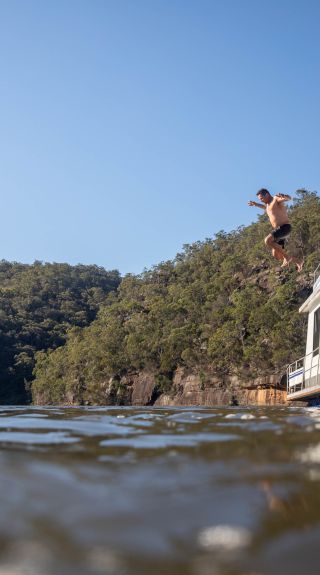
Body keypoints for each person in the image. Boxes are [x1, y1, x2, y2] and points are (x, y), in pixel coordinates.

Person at [248, 188, 303, 271]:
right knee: (276, 255)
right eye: (260, 200)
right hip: (279, 232)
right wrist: (256, 204)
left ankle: (287, 257)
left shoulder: (275, 199)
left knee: (267, 241)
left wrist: (285, 196)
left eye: (262, 198)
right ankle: (298, 261)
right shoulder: (267, 205)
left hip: (284, 227)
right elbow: (265, 208)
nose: (262, 201)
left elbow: (289, 198)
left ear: (266, 194)